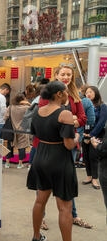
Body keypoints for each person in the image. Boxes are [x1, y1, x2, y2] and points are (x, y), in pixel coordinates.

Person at [26, 81, 87, 241]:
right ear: (59, 94)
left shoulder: (38, 111)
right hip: (59, 160)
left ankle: (36, 237)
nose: (68, 94)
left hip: (40, 157)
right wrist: (77, 136)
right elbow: (69, 144)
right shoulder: (64, 113)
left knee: (40, 201)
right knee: (65, 207)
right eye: (66, 91)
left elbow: (35, 134)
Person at [33, 64, 91, 229]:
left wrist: (72, 121)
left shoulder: (74, 95)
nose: (66, 77)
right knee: (42, 188)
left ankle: (73, 215)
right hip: (46, 145)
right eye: (63, 74)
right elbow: (43, 116)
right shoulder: (47, 95)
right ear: (56, 75)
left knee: (67, 186)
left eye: (69, 75)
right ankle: (41, 219)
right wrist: (66, 120)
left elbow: (83, 117)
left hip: (68, 144)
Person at [82, 86, 107, 190]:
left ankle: (95, 179)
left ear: (96, 93)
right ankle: (89, 176)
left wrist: (92, 134)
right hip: (84, 133)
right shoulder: (84, 105)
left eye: (91, 92)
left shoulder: (102, 106)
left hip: (97, 134)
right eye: (86, 92)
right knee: (86, 156)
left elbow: (101, 122)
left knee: (94, 156)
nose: (88, 94)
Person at [4, 93, 30, 169]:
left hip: (12, 130)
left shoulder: (11, 107)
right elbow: (34, 111)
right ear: (23, 100)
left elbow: (5, 117)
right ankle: (20, 164)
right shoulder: (26, 107)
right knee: (22, 147)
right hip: (23, 130)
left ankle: (7, 163)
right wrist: (28, 103)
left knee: (9, 146)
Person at [75, 83, 96, 167]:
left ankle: (75, 162)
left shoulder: (70, 98)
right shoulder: (87, 101)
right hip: (82, 130)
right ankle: (82, 162)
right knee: (81, 147)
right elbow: (91, 120)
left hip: (66, 131)